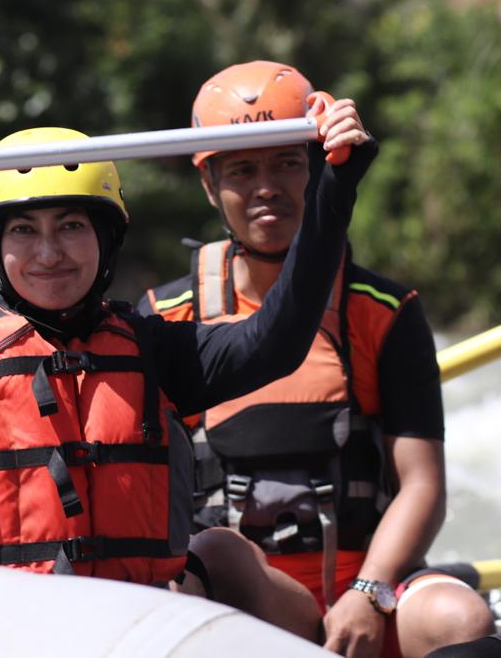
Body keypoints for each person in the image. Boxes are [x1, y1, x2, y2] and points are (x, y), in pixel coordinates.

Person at [0, 121, 374, 639]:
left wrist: (331, 187)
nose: (49, 253)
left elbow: (275, 342)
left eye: (70, 225)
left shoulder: (153, 348)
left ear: (106, 237)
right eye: (23, 230)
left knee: (222, 556)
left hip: (134, 626)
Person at [139, 60, 496, 657]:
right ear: (209, 184)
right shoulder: (163, 316)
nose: (267, 187)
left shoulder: (384, 311)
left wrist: (368, 592)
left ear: (317, 166)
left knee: (461, 618)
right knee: (217, 552)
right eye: (242, 169)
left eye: (287, 163)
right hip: (245, 599)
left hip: (371, 586)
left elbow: (422, 484)